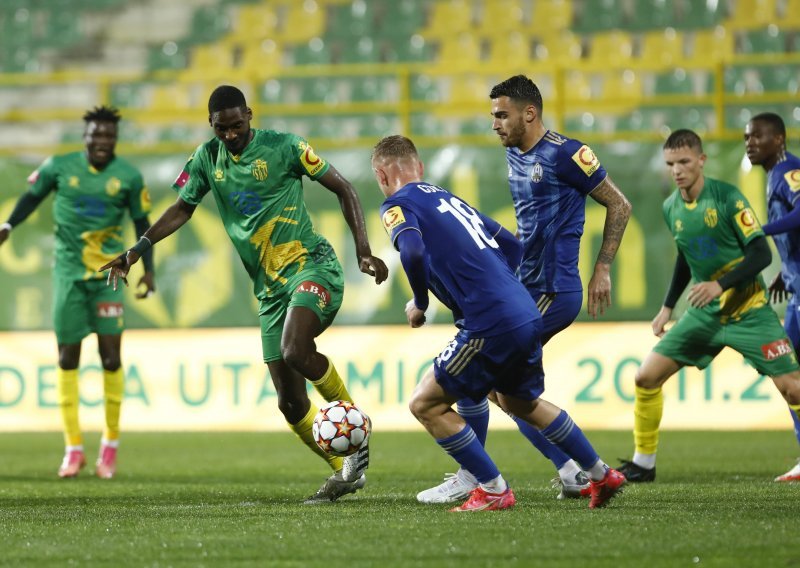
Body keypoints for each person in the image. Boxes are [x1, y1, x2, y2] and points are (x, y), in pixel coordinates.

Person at [100, 85, 388, 502]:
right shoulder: (205, 159)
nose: (231, 135)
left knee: (295, 349)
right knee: (290, 403)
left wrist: (363, 250)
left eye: (238, 126)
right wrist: (136, 250)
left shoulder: (286, 147)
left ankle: (357, 436)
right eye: (222, 129)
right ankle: (346, 470)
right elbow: (182, 207)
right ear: (211, 125)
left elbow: (345, 188)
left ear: (250, 115)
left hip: (312, 266)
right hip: (270, 292)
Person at [373, 134, 625, 511]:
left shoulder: (396, 205)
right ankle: (600, 474)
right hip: (523, 308)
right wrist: (498, 284)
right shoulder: (447, 198)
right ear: (420, 168)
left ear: (381, 174)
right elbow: (510, 244)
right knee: (518, 400)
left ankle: (491, 487)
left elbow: (411, 249)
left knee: (425, 403)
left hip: (491, 319)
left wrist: (421, 302)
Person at [417, 74, 632, 503]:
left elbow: (619, 203)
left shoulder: (568, 154)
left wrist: (603, 267)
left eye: (502, 115)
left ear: (529, 113)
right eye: (493, 115)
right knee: (506, 392)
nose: (495, 124)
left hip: (553, 290)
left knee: (493, 384)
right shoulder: (516, 153)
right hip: (524, 287)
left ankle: (481, 476)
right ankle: (579, 471)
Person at [617, 128, 800, 482]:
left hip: (750, 312)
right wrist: (668, 307)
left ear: (701, 160)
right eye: (671, 163)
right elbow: (685, 258)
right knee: (646, 377)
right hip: (704, 316)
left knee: (793, 387)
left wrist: (719, 284)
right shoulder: (672, 207)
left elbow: (760, 252)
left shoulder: (727, 198)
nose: (677, 170)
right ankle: (643, 463)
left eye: (684, 162)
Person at [0, 105, 155, 479]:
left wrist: (149, 271)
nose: (102, 141)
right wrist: (7, 225)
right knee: (67, 358)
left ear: (115, 139)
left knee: (111, 359)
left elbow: (143, 223)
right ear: (85, 137)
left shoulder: (129, 177)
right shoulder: (59, 167)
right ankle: (73, 449)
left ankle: (110, 447)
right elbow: (31, 197)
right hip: (69, 277)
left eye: (108, 136)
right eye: (95, 135)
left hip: (110, 277)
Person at [744, 112, 800, 481]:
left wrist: (761, 230)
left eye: (758, 137)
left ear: (778, 140)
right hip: (795, 288)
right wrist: (786, 269)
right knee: (789, 372)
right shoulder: (774, 176)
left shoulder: (788, 171)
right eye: (747, 137)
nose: (750, 143)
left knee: (788, 370)